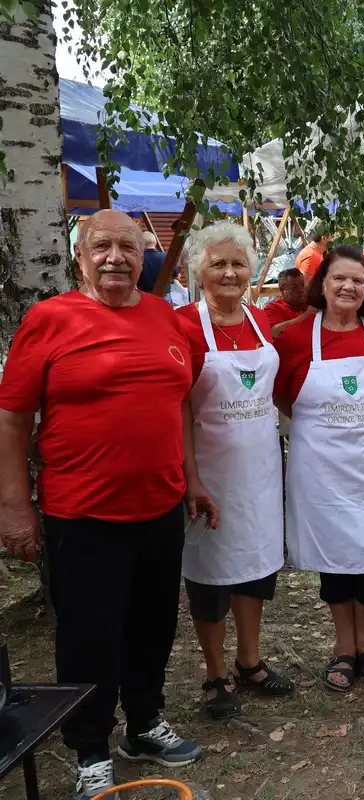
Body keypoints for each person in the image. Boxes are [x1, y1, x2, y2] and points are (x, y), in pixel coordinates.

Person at [0, 210, 201, 799]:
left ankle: (143, 722)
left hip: (159, 506)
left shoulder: (166, 317)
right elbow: (13, 420)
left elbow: (181, 405)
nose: (116, 257)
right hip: (82, 513)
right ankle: (90, 747)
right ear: (79, 256)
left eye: (128, 247)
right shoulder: (49, 320)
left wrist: (192, 478)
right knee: (90, 635)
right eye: (101, 247)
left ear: (146, 256)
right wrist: (14, 505)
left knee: (153, 624)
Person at [273, 246, 364, 693]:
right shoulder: (294, 336)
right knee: (336, 560)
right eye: (339, 279)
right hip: (324, 473)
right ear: (323, 284)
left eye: (358, 280)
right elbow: (279, 396)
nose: (349, 287)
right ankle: (344, 645)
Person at [175, 223, 292, 721]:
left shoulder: (261, 321)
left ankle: (249, 660)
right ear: (198, 270)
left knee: (255, 568)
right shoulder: (182, 324)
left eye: (238, 263)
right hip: (209, 471)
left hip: (261, 469)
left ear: (250, 272)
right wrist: (191, 478)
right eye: (218, 263)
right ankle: (215, 672)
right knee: (208, 576)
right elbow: (177, 406)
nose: (229, 272)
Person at [265, 268, 312, 338]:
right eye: (294, 287)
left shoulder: (311, 303)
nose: (301, 290)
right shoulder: (273, 308)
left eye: (302, 285)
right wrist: (306, 315)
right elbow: (273, 332)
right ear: (282, 290)